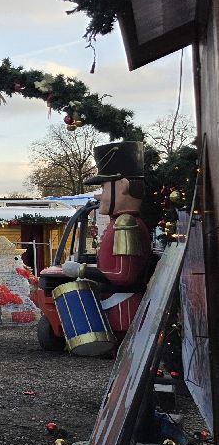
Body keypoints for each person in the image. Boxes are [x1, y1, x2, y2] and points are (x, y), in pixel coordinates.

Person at [62, 141, 154, 338]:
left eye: (104, 188)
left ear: (123, 186)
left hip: (122, 306)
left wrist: (81, 270)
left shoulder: (126, 223)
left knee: (119, 346)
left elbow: (124, 274)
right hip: (115, 302)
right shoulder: (119, 222)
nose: (98, 196)